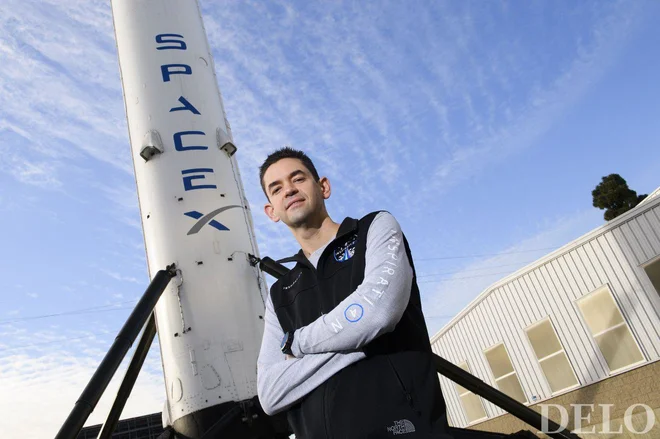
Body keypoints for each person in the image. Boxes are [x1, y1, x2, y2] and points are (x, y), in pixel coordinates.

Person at [256, 147, 451, 438]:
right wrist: (358, 338)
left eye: (298, 179)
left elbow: (378, 313)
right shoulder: (279, 294)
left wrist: (297, 344)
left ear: (323, 187)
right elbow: (270, 394)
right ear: (271, 211)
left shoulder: (374, 229)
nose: (289, 190)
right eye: (277, 188)